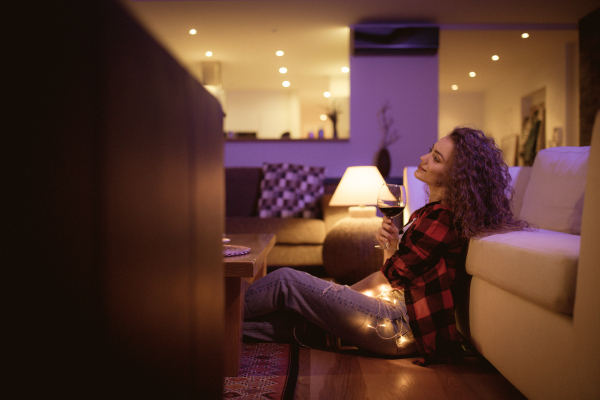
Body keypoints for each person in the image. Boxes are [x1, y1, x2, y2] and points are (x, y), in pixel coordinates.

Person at [243, 127, 528, 364]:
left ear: (456, 177)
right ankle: (214, 330)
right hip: (396, 321)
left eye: (436, 158)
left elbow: (386, 278)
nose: (424, 157)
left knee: (285, 280)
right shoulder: (431, 213)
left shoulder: (442, 218)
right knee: (292, 327)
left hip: (398, 326)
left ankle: (210, 311)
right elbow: (399, 279)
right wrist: (392, 247)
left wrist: (334, 296)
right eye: (431, 150)